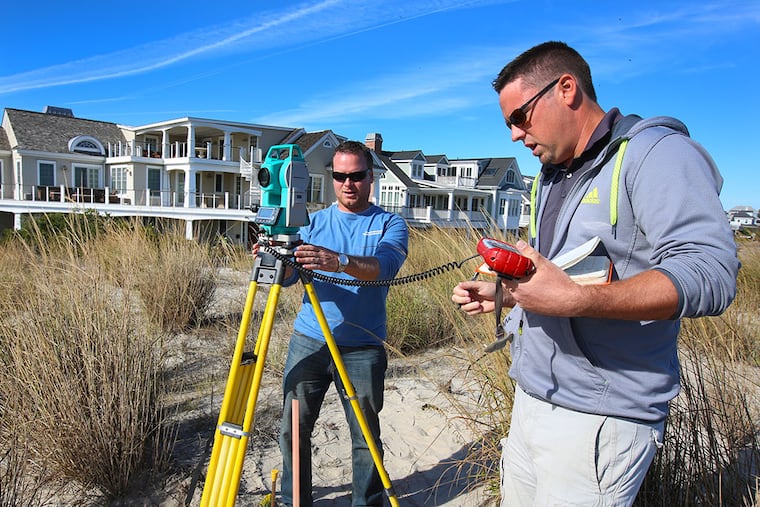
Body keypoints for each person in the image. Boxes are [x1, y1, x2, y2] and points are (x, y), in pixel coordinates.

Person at [451, 41, 738, 506]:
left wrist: (576, 302)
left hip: (599, 419)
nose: (514, 136)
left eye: (519, 117)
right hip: (532, 398)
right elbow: (568, 273)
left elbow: (711, 272)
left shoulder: (656, 154)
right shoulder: (551, 174)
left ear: (566, 89)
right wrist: (506, 295)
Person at [274, 140, 408, 506]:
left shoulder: (389, 223)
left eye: (356, 176)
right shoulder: (311, 222)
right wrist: (274, 254)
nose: (348, 184)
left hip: (362, 347)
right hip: (309, 340)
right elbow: (287, 278)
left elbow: (384, 267)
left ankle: (366, 502)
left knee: (365, 435)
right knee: (294, 429)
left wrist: (340, 261)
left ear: (371, 176)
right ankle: (294, 500)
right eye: (339, 176)